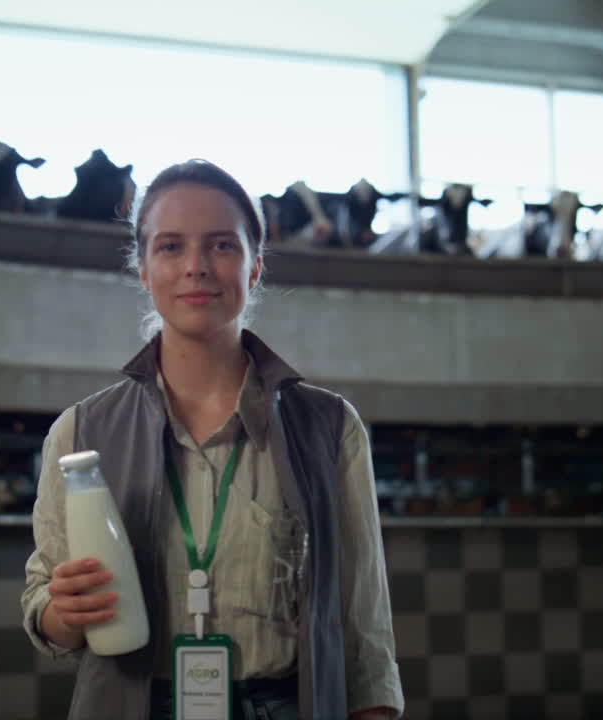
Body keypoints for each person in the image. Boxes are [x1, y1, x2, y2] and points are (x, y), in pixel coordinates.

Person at [21, 159, 403, 720]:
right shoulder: (80, 433)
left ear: (254, 268)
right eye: (170, 247)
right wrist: (64, 610)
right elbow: (42, 610)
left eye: (221, 245)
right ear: (143, 271)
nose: (196, 267)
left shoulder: (329, 428)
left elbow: (363, 626)